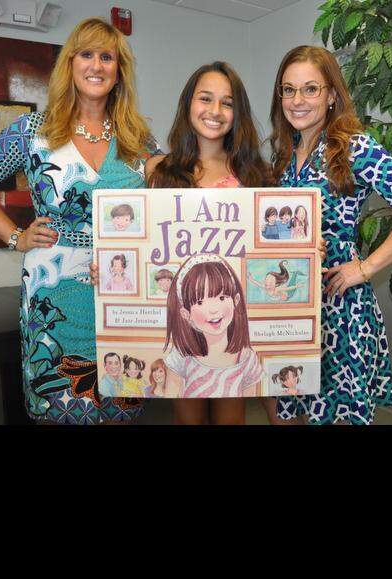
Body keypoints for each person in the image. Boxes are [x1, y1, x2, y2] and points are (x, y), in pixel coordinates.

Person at [92, 61, 319, 424]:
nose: (215, 111)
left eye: (227, 103)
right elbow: (139, 240)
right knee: (188, 417)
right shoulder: (159, 172)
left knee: (232, 417)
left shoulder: (256, 175)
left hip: (232, 332)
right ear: (188, 105)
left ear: (237, 113)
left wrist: (304, 250)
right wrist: (108, 266)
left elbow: (275, 245)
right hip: (186, 328)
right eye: (205, 99)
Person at [0, 17, 158, 424]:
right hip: (54, 296)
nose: (96, 65)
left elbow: (168, 207)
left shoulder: (139, 140)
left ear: (119, 71)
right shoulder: (33, 131)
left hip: (122, 291)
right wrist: (16, 237)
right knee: (61, 406)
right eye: (86, 55)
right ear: (70, 64)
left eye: (107, 57)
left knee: (122, 403)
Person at [266, 45, 392, 425]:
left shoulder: (353, 147)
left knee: (336, 412)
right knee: (295, 404)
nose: (297, 100)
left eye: (310, 89)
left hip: (338, 303)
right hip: (292, 302)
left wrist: (365, 268)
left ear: (331, 95)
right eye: (288, 90)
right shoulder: (284, 154)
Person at [162, 253, 263, 398]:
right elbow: (170, 398)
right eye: (200, 302)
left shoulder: (247, 359)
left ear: (236, 300)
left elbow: (249, 402)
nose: (214, 309)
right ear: (186, 313)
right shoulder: (181, 356)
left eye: (222, 297)